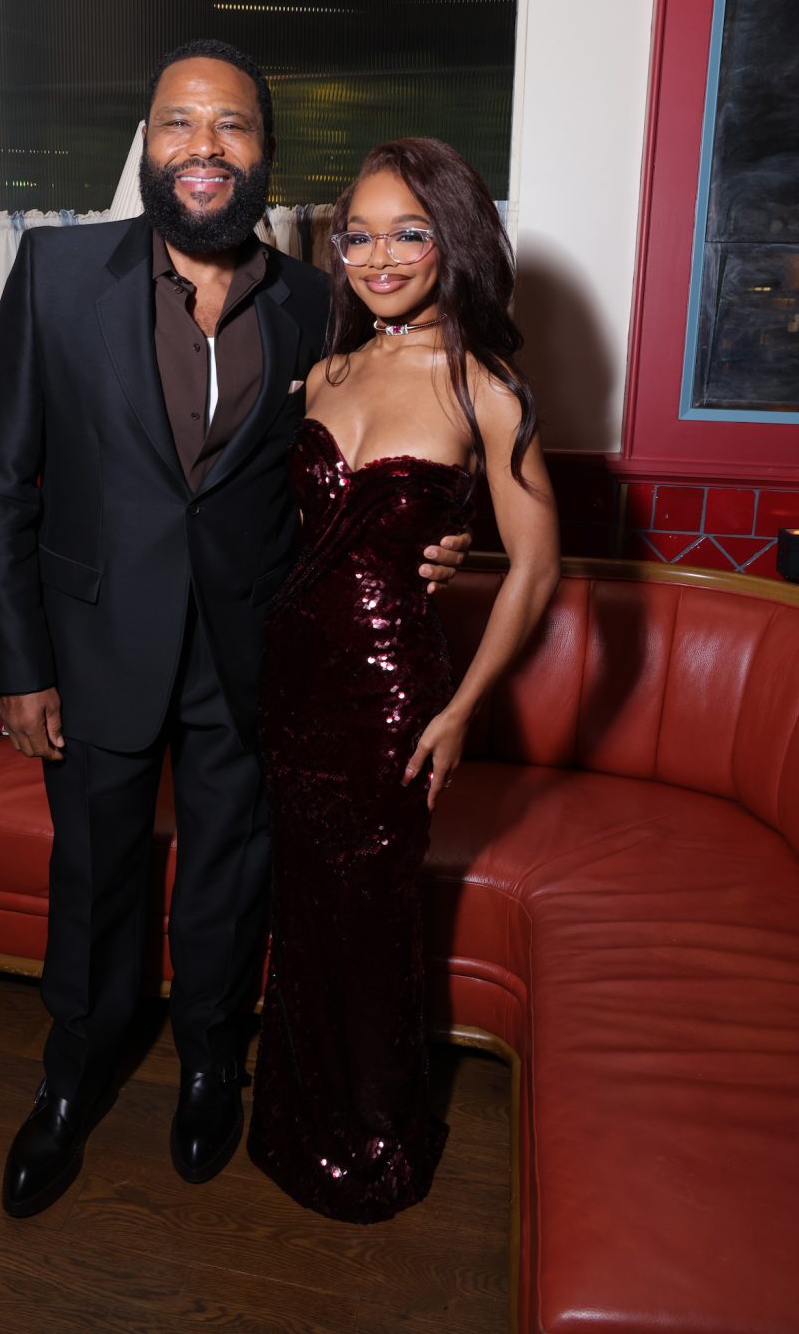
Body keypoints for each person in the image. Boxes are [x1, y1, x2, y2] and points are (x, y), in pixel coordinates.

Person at [0, 42, 471, 1219]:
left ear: (265, 153)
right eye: (178, 123)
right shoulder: (52, 274)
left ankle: (209, 1063)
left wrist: (440, 538)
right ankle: (69, 1078)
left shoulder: (313, 300)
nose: (204, 146)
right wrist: (18, 666)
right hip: (91, 650)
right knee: (92, 877)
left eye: (230, 125)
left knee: (228, 877)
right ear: (147, 144)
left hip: (253, 650)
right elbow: (1, 487)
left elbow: (380, 442)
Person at [247, 137, 561, 1223]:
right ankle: (295, 1118)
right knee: (302, 906)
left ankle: (375, 1136)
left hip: (392, 701)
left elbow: (538, 569)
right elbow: (295, 532)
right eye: (358, 237)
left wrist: (462, 709)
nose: (379, 258)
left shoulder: (486, 389)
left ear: (451, 240)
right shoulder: (324, 371)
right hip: (290, 681)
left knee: (372, 918)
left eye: (407, 233)